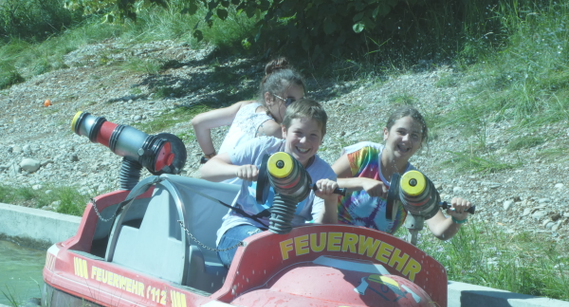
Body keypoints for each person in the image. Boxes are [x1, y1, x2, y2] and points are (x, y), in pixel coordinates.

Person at [201, 99, 339, 268]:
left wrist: (330, 201)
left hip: (289, 241)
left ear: (321, 139)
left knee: (281, 254)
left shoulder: (324, 174)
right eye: (298, 132)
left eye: (313, 135)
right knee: (263, 250)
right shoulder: (263, 147)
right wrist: (238, 170)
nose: (304, 141)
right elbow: (206, 170)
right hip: (241, 228)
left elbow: (323, 236)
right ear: (284, 131)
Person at [332, 106, 472, 241]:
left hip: (371, 251)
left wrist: (457, 218)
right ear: (386, 133)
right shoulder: (364, 154)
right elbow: (322, 181)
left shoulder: (416, 182)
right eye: (401, 132)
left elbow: (440, 231)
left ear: (420, 143)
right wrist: (362, 182)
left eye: (414, 136)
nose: (406, 139)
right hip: (330, 237)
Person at [191, 57, 305, 165]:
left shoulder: (246, 106)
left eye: (301, 101)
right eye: (290, 101)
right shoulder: (275, 131)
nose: (298, 108)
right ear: (269, 98)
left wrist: (211, 157)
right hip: (236, 179)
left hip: (214, 174)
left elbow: (199, 122)